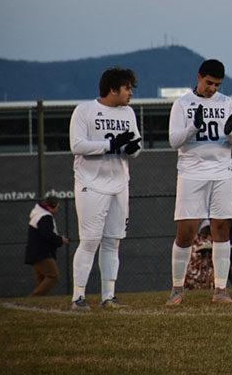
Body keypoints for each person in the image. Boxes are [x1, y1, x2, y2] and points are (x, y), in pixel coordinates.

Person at [167, 59, 232, 305]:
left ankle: (220, 290)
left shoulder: (227, 103)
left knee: (222, 228)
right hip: (192, 172)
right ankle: (177, 288)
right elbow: (174, 140)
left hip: (222, 172)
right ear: (199, 77)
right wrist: (193, 127)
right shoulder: (182, 104)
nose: (212, 88)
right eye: (209, 83)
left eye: (217, 84)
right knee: (186, 231)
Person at [69, 67, 141, 311]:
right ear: (113, 90)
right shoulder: (84, 110)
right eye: (127, 88)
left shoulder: (128, 112)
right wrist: (109, 145)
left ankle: (108, 296)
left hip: (119, 183)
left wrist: (132, 149)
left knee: (113, 242)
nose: (130, 93)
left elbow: (136, 144)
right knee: (89, 241)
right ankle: (78, 296)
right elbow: (77, 145)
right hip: (91, 184)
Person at [25, 195, 69, 296]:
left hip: (34, 252)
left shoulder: (38, 215)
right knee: (53, 276)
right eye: (57, 207)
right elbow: (47, 235)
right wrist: (60, 240)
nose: (58, 210)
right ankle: (33, 299)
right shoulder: (45, 217)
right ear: (50, 207)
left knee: (42, 278)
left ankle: (36, 303)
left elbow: (45, 234)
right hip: (41, 253)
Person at [185, 222, 214, 290]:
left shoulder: (212, 244)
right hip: (195, 275)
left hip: (206, 273)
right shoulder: (195, 245)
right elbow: (195, 263)